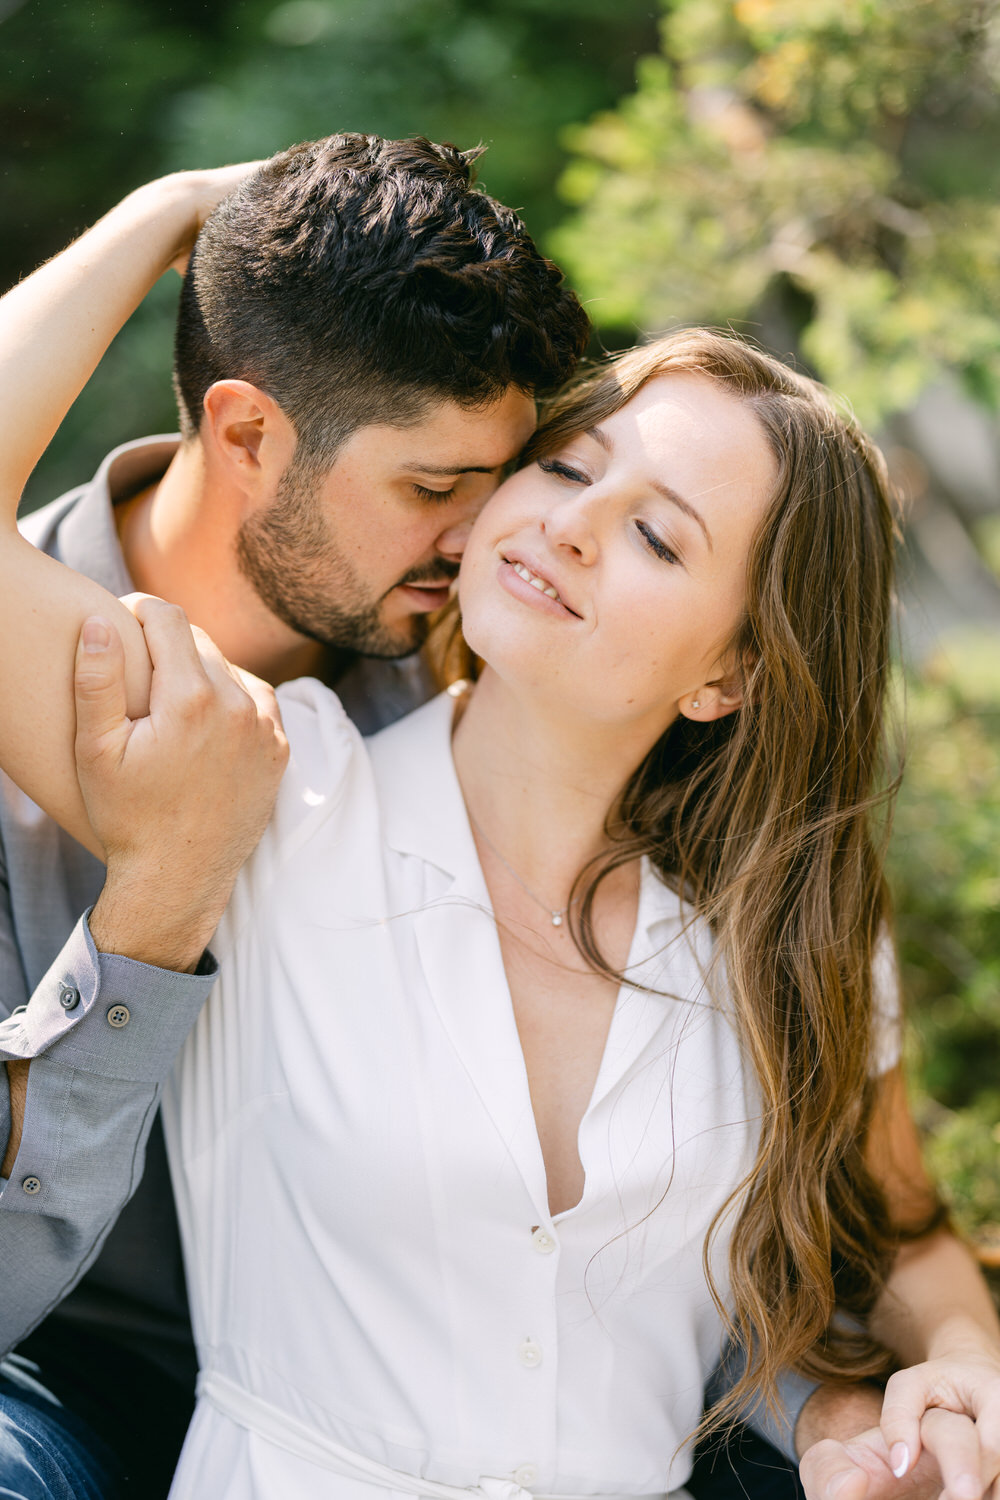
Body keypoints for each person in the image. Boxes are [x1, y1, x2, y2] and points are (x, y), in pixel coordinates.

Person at [1, 164, 1000, 1500]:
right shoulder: (276, 782)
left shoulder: (778, 924)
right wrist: (162, 215)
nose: (565, 525)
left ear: (731, 674)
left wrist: (927, 1394)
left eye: (653, 533)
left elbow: (869, 1242)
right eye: (568, 469)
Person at [0, 139, 588, 1497]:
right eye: (432, 489)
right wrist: (163, 210)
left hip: (422, 1372)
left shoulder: (475, 669)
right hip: (71, 1378)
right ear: (250, 432)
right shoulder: (28, 655)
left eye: (499, 484)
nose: (480, 539)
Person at [0, 610, 288, 1499]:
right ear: (244, 454)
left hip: (242, 1401)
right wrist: (166, 890)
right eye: (433, 487)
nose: (474, 528)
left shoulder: (450, 715)